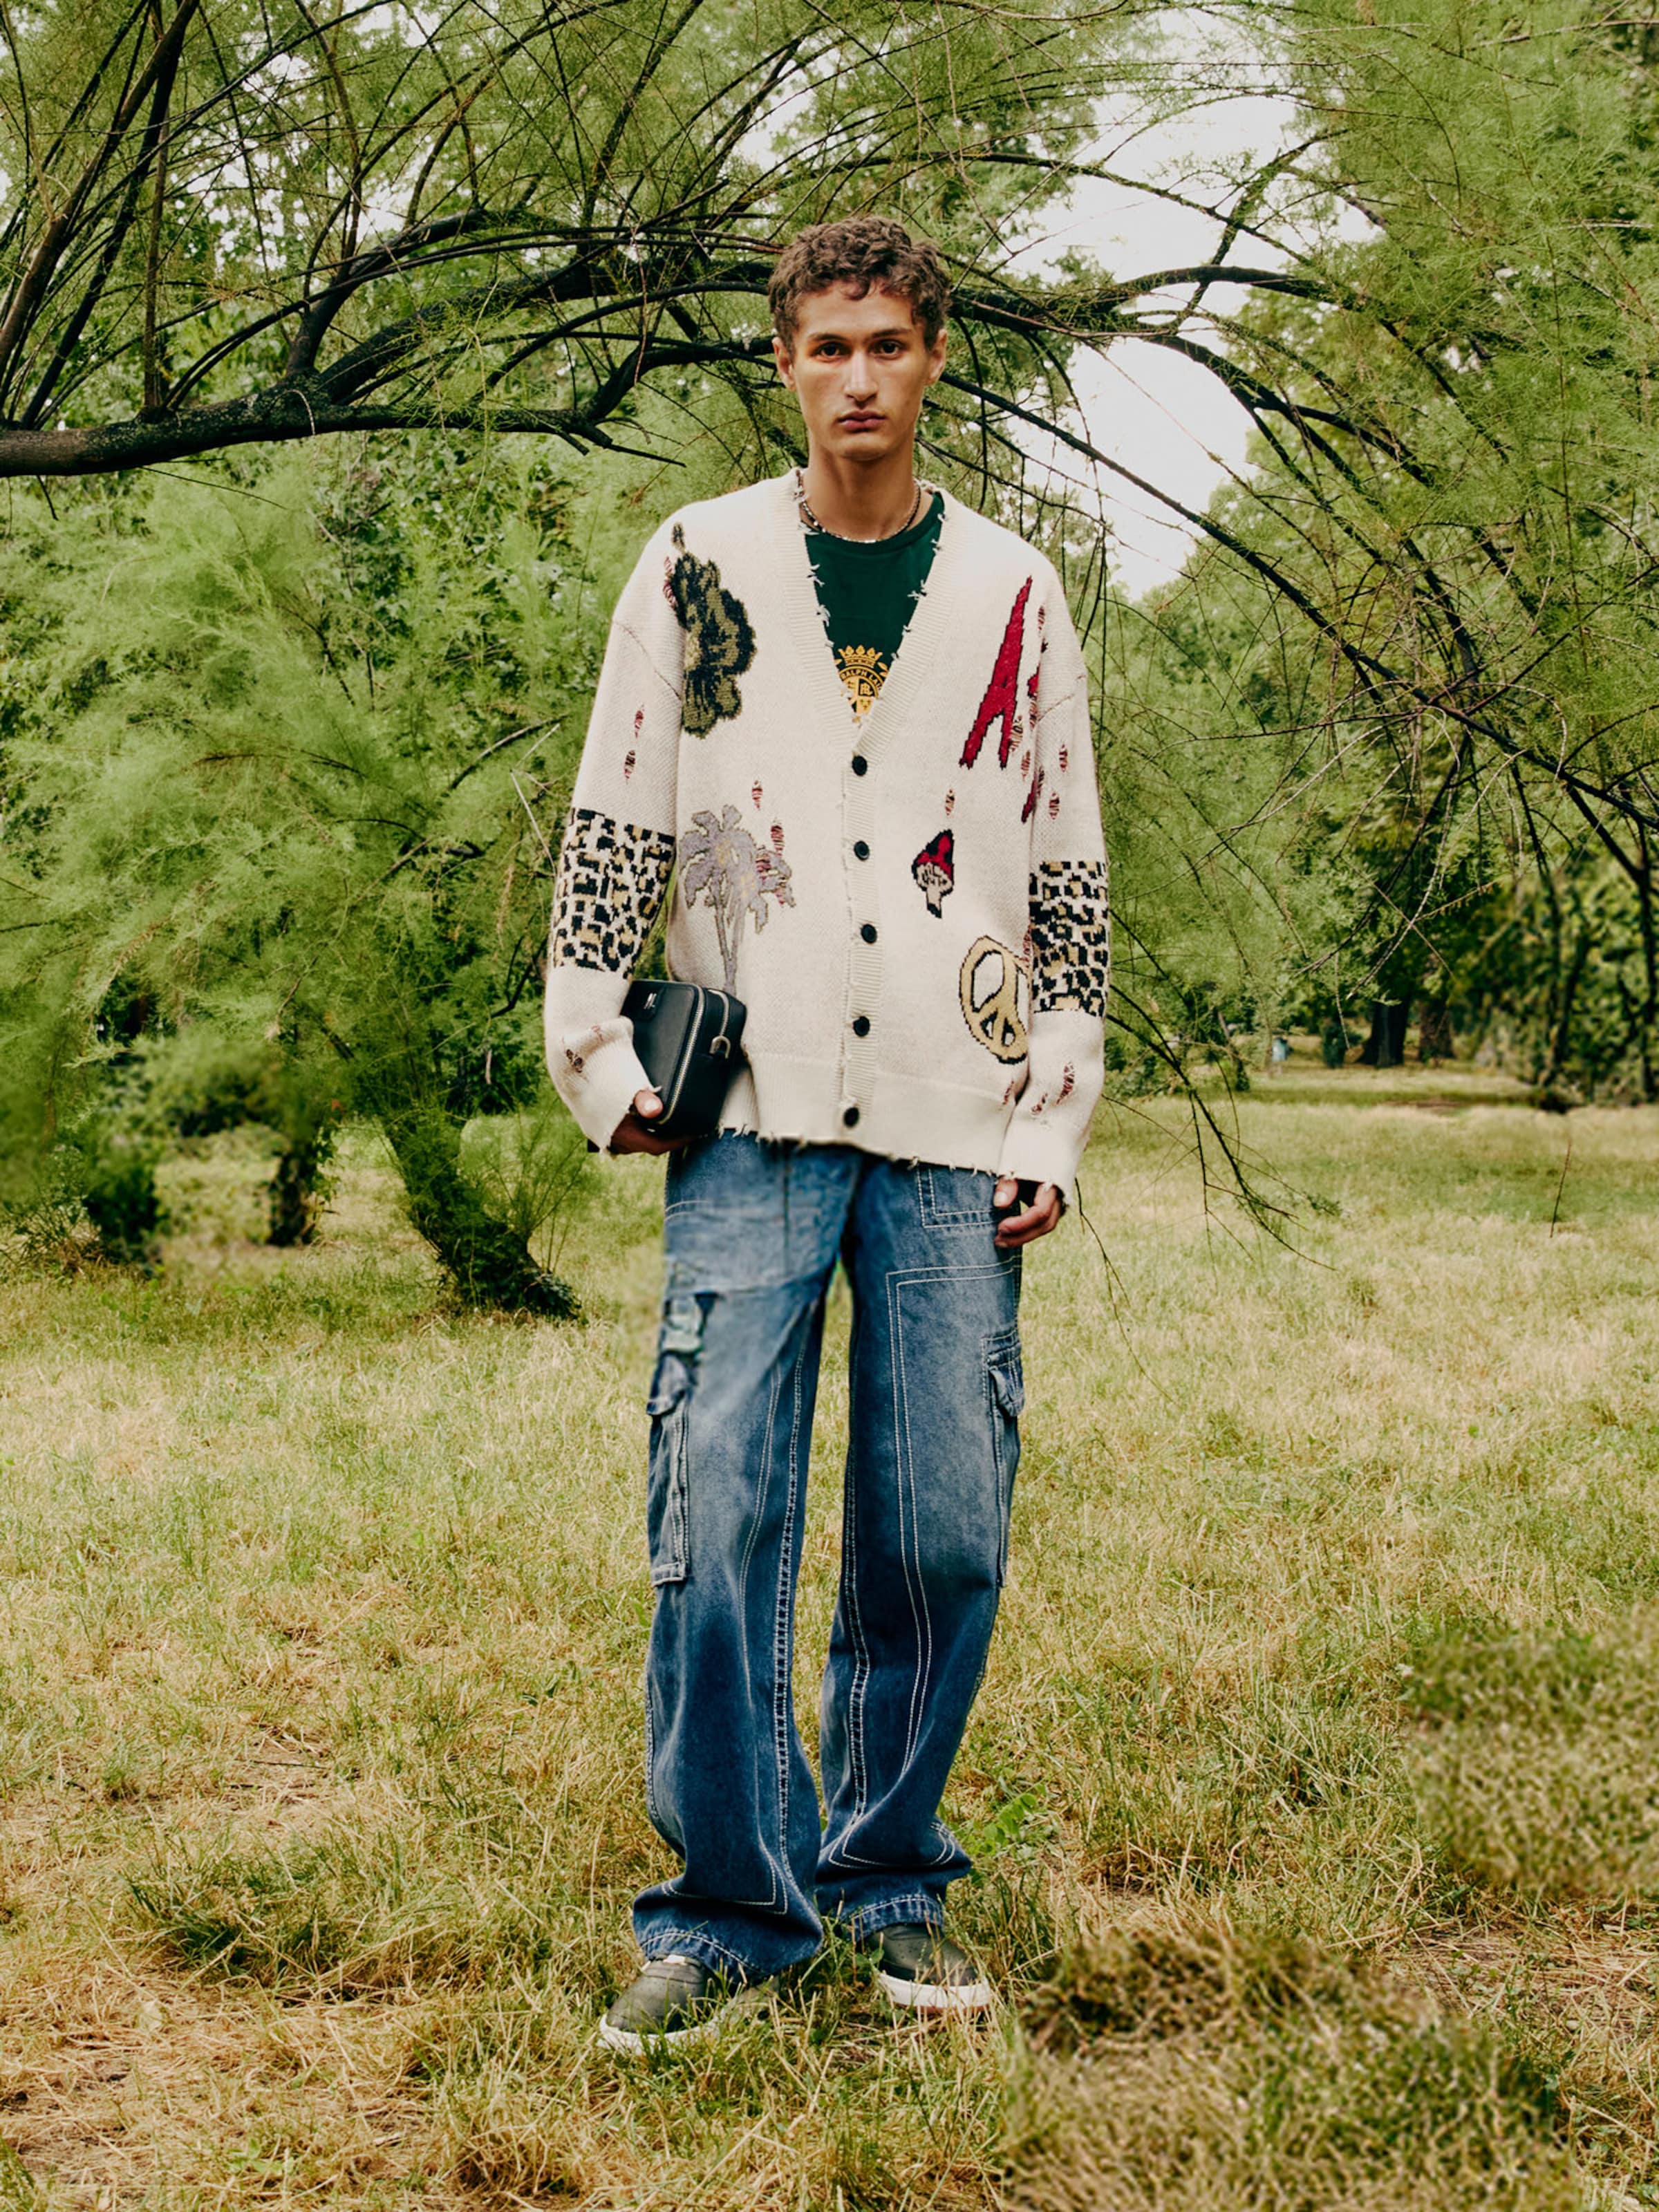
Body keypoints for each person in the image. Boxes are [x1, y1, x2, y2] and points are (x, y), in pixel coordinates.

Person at [544, 216, 1109, 2051]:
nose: (857, 377)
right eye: (825, 347)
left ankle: (882, 1880)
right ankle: (725, 1913)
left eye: (888, 343)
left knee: (943, 1524)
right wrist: (595, 1041)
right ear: (782, 363)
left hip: (957, 1110)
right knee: (715, 1507)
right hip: (753, 1107)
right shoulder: (697, 561)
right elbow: (621, 804)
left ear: (934, 356)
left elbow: (1068, 858)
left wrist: (1059, 1099)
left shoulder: (1014, 589)